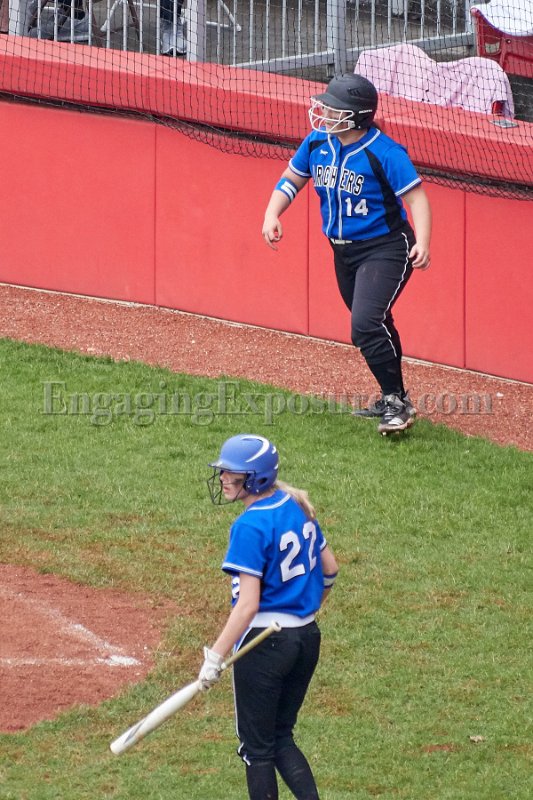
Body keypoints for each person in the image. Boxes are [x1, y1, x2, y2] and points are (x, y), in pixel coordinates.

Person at [262, 73, 432, 434]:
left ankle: (397, 405)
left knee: (365, 324)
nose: (323, 112)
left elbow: (416, 199)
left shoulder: (384, 152)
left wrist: (424, 241)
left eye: (333, 108)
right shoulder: (316, 143)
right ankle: (394, 398)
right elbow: (291, 179)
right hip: (343, 253)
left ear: (355, 117)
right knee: (373, 322)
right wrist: (272, 213)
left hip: (386, 248)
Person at [200, 433, 338, 800]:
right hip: (306, 638)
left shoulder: (249, 526)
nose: (223, 478)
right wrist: (303, 610)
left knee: (256, 749)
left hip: (264, 644)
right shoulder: (297, 505)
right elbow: (331, 570)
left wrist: (214, 657)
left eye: (232, 473)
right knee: (280, 737)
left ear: (256, 478)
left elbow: (247, 606)